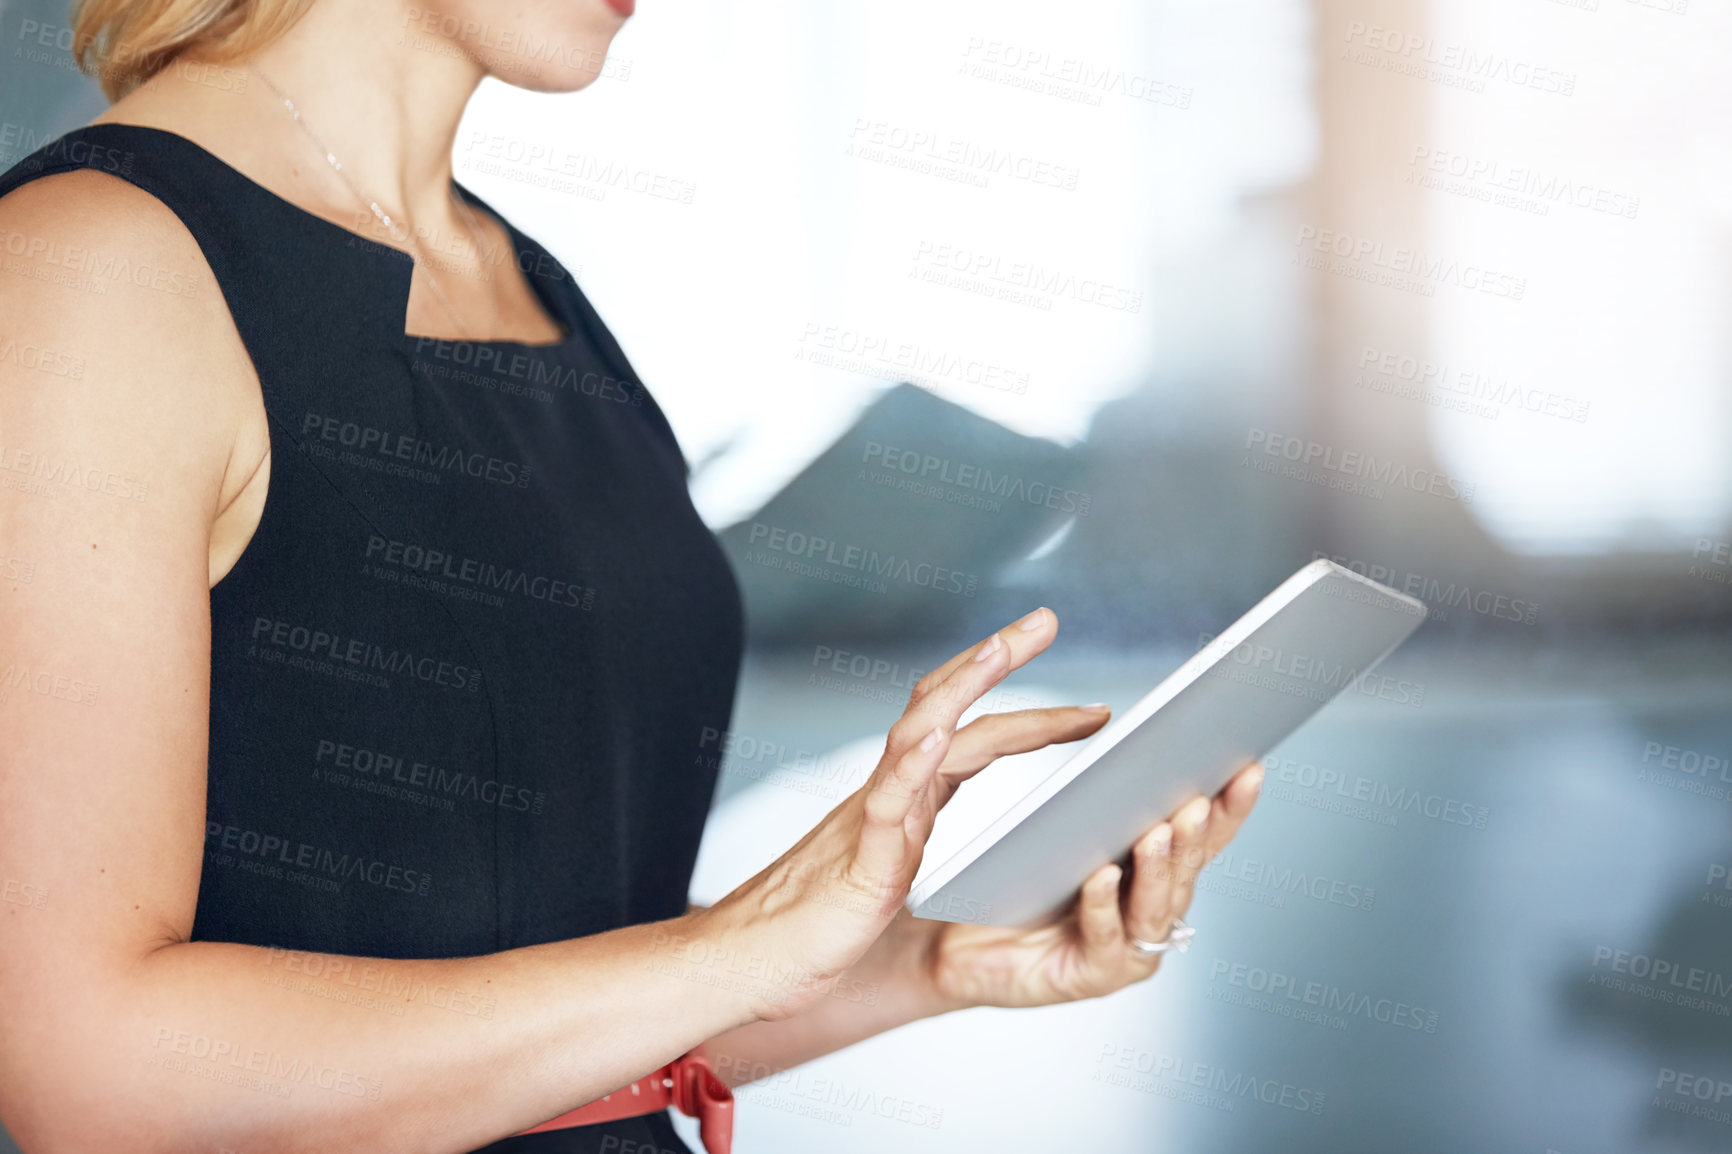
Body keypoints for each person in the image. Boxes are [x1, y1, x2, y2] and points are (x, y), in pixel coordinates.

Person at [0, 1, 1263, 1150]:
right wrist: (745, 940)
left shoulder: (531, 288)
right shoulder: (90, 270)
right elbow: (86, 1076)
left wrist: (927, 960)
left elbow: (570, 993)